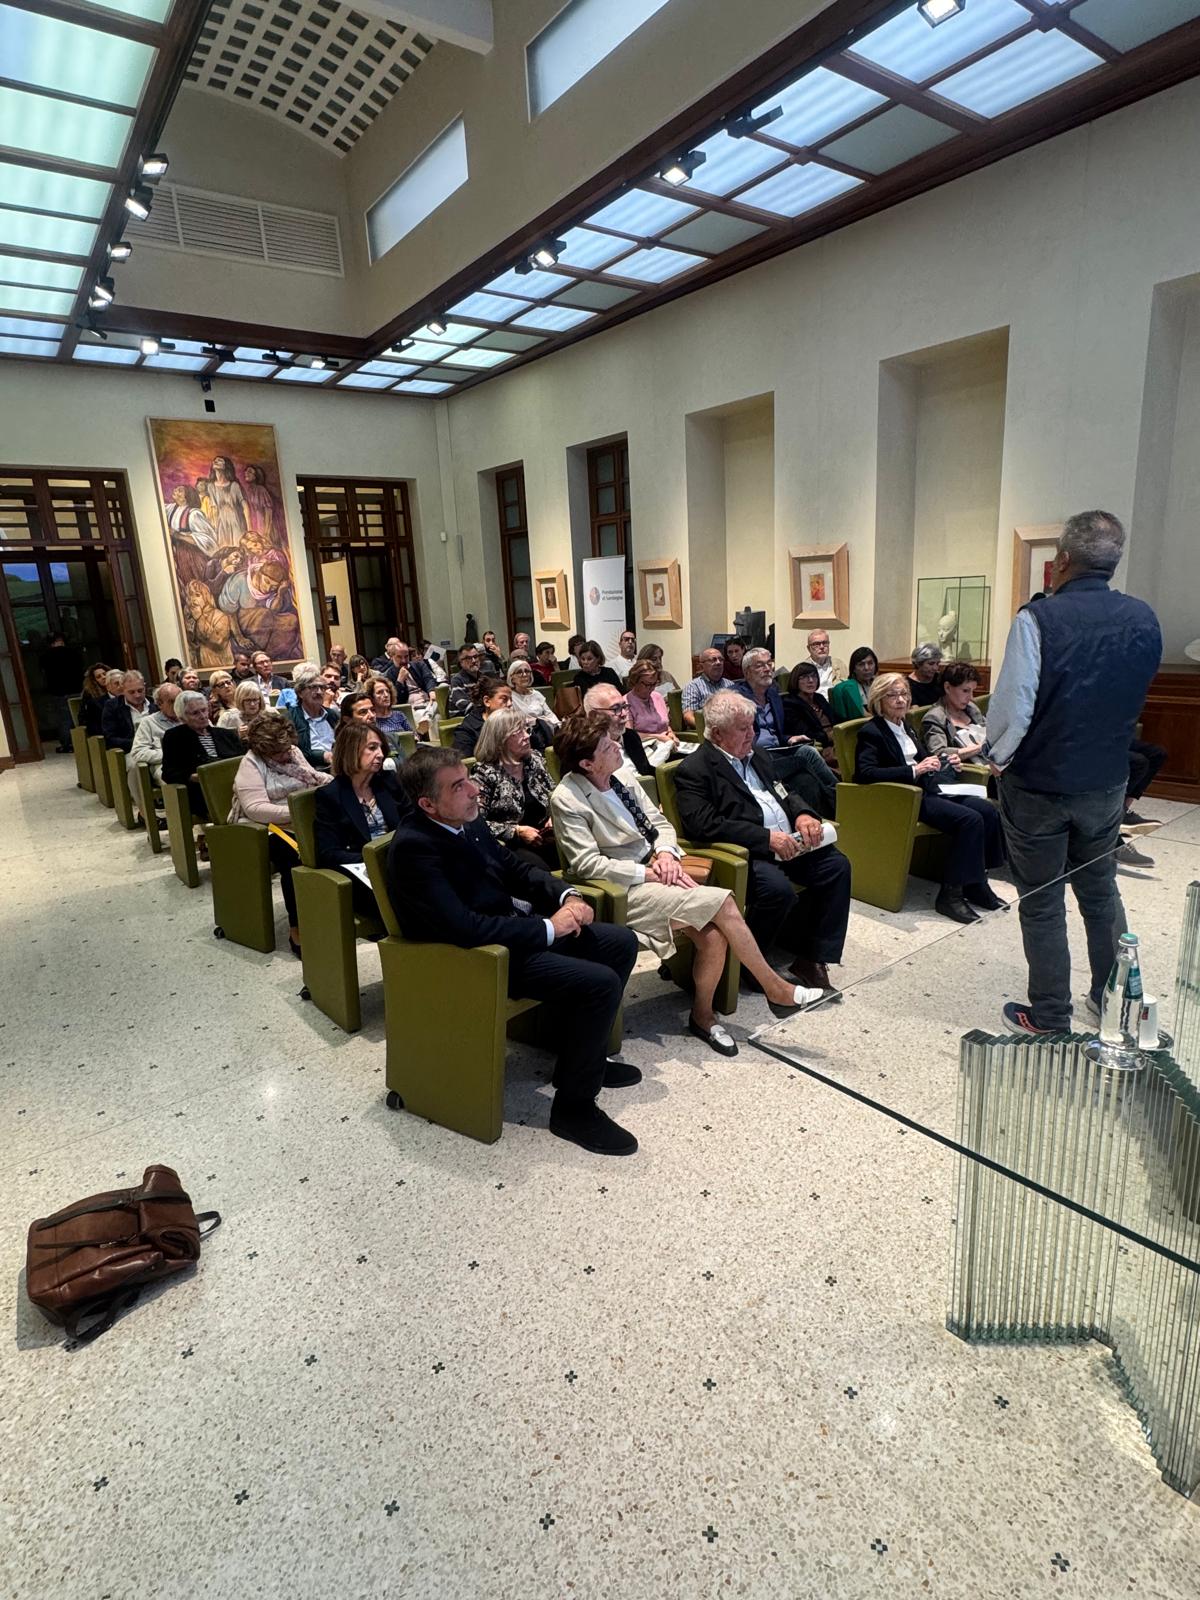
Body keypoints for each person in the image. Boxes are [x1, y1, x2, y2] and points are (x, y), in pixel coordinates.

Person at [388, 746, 642, 1157]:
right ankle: (573, 1109)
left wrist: (568, 895)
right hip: (479, 958)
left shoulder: (467, 821)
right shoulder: (415, 848)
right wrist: (548, 928)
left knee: (621, 943)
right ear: (427, 804)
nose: (474, 791)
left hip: (513, 934)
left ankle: (582, 1061)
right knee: (600, 984)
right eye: (459, 786)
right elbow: (464, 927)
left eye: (469, 779)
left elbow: (518, 870)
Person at [552, 714, 827, 1058]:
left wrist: (666, 854)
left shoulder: (621, 775)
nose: (618, 747)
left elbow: (660, 823)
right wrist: (649, 873)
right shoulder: (567, 798)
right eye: (608, 747)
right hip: (624, 890)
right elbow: (586, 864)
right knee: (724, 903)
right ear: (586, 763)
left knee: (713, 936)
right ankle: (776, 989)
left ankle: (702, 1016)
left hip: (659, 871)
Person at [983, 510, 1161, 1034]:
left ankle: (1049, 1015)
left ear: (1061, 560)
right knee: (1101, 891)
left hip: (1039, 782)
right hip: (1105, 779)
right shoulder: (1144, 618)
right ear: (1114, 562)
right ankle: (1115, 1004)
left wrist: (996, 759)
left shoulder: (1037, 619)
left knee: (1042, 901)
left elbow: (1013, 707)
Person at [673, 691, 851, 995]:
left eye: (752, 726)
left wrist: (803, 814)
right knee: (776, 890)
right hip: (749, 852)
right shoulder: (695, 769)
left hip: (789, 842)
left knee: (837, 866)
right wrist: (765, 838)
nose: (752, 734)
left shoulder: (757, 754)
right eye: (743, 729)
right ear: (717, 733)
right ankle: (753, 965)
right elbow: (703, 824)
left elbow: (784, 792)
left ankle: (813, 958)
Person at [856, 674, 1006, 924]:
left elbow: (926, 758)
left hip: (930, 788)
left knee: (988, 811)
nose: (901, 700)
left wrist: (947, 760)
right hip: (905, 797)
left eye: (904, 694)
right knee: (969, 820)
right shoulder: (871, 731)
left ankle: (976, 882)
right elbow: (864, 773)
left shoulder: (905, 726)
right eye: (893, 695)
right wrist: (914, 770)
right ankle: (950, 894)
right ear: (879, 700)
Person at [230, 709, 329, 955]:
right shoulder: (252, 763)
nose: (286, 755)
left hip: (303, 816)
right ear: (263, 749)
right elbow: (255, 809)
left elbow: (312, 777)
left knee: (339, 842)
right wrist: (296, 812)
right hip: (268, 826)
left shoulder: (293, 751)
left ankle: (332, 910)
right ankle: (297, 927)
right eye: (278, 752)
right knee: (293, 858)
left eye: (287, 749)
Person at [314, 719, 408, 918]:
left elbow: (412, 821)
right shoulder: (330, 796)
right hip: (365, 870)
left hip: (400, 858)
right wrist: (374, 859)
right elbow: (328, 853)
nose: (380, 754)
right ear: (351, 750)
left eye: (381, 748)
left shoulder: (389, 781)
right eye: (372, 748)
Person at [734, 648, 838, 816]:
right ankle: (838, 798)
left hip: (778, 750)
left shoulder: (773, 694)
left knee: (807, 762)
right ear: (747, 672)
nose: (767, 669)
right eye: (760, 665)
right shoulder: (737, 698)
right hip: (755, 756)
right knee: (805, 767)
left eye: (769, 663)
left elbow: (776, 733)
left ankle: (835, 799)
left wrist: (790, 738)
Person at [473, 708, 557, 869]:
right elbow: (476, 823)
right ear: (500, 740)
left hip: (546, 835)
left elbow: (554, 794)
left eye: (526, 729)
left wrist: (554, 816)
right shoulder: (485, 773)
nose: (527, 736)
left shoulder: (534, 760)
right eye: (518, 732)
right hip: (512, 844)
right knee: (540, 870)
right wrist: (516, 831)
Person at [160, 690, 243, 822]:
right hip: (202, 791)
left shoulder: (226, 734)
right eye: (195, 713)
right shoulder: (175, 737)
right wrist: (195, 777)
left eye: (204, 710)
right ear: (182, 717)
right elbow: (168, 773)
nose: (203, 716)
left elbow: (244, 762)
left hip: (235, 785)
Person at [453, 677, 549, 758]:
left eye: (511, 699)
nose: (510, 704)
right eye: (504, 699)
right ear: (487, 701)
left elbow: (539, 749)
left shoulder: (517, 721)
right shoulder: (468, 730)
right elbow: (466, 763)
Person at [583, 683, 652, 778]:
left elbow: (646, 771)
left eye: (624, 707)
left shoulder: (630, 736)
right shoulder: (588, 750)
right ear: (594, 716)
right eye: (616, 709)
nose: (624, 714)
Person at [921, 661, 987, 758]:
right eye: (965, 691)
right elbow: (939, 753)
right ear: (947, 688)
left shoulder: (971, 708)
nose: (971, 697)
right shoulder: (935, 718)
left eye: (973, 691)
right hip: (963, 766)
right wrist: (981, 747)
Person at [780, 661, 837, 769]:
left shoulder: (819, 698)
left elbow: (836, 720)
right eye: (804, 677)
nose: (810, 680)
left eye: (814, 676)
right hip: (818, 748)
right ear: (795, 680)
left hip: (836, 742)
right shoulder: (789, 704)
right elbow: (805, 735)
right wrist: (830, 736)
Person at [287, 664, 338, 768]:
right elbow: (291, 751)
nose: (319, 692)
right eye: (313, 687)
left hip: (337, 765)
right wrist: (322, 756)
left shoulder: (332, 715)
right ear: (300, 693)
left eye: (322, 687)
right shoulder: (290, 719)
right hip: (309, 768)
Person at [624, 658, 679, 753]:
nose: (651, 688)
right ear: (635, 681)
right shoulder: (625, 702)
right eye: (647, 684)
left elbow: (665, 725)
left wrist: (671, 734)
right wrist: (657, 737)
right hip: (644, 750)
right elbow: (629, 736)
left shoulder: (657, 697)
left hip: (666, 746)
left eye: (654, 684)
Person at [41, 632, 84, 753]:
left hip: (58, 691)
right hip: (76, 689)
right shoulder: (73, 652)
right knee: (79, 716)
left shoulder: (46, 656)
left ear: (51, 643)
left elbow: (43, 673)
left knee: (64, 719)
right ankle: (82, 742)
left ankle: (67, 744)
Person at [681, 648, 734, 729]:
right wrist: (708, 730)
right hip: (707, 730)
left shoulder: (730, 684)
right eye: (713, 660)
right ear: (701, 666)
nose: (718, 663)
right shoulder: (693, 687)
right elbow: (688, 716)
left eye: (721, 659)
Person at [506, 658, 559, 733]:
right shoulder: (510, 697)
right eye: (519, 672)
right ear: (512, 678)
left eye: (527, 671)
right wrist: (537, 721)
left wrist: (559, 726)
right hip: (523, 733)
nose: (524, 675)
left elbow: (550, 715)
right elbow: (512, 722)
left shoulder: (536, 694)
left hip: (544, 730)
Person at [101, 670, 149, 751]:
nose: (137, 695)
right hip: (130, 751)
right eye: (132, 692)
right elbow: (110, 739)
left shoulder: (154, 703)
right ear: (123, 691)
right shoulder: (113, 707)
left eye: (140, 690)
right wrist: (138, 744)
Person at [828, 647, 878, 723]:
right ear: (854, 668)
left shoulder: (882, 685)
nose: (866, 668)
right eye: (861, 664)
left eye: (870, 663)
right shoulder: (845, 689)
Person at [382, 638, 436, 703]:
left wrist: (431, 691)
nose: (404, 660)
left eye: (406, 656)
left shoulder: (419, 665)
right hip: (409, 706)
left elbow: (428, 679)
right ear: (391, 657)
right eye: (399, 657)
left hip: (428, 700)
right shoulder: (388, 675)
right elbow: (395, 700)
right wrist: (400, 681)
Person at [366, 674, 414, 742]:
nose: (386, 695)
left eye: (387, 691)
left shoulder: (399, 715)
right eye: (380, 692)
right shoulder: (371, 719)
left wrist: (416, 737)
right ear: (371, 697)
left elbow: (413, 735)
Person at [77, 662, 111, 738]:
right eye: (99, 677)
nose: (103, 677)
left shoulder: (116, 690)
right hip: (100, 729)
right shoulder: (90, 696)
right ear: (94, 681)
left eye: (104, 674)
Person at [448, 643, 482, 715]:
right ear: (461, 662)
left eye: (475, 656)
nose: (473, 661)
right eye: (468, 658)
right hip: (460, 718)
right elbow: (464, 706)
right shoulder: (457, 680)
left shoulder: (483, 677)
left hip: (478, 713)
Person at [907, 643, 944, 708]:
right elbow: (915, 711)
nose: (935, 668)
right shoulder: (907, 684)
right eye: (931, 664)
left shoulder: (940, 678)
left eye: (937, 663)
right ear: (918, 663)